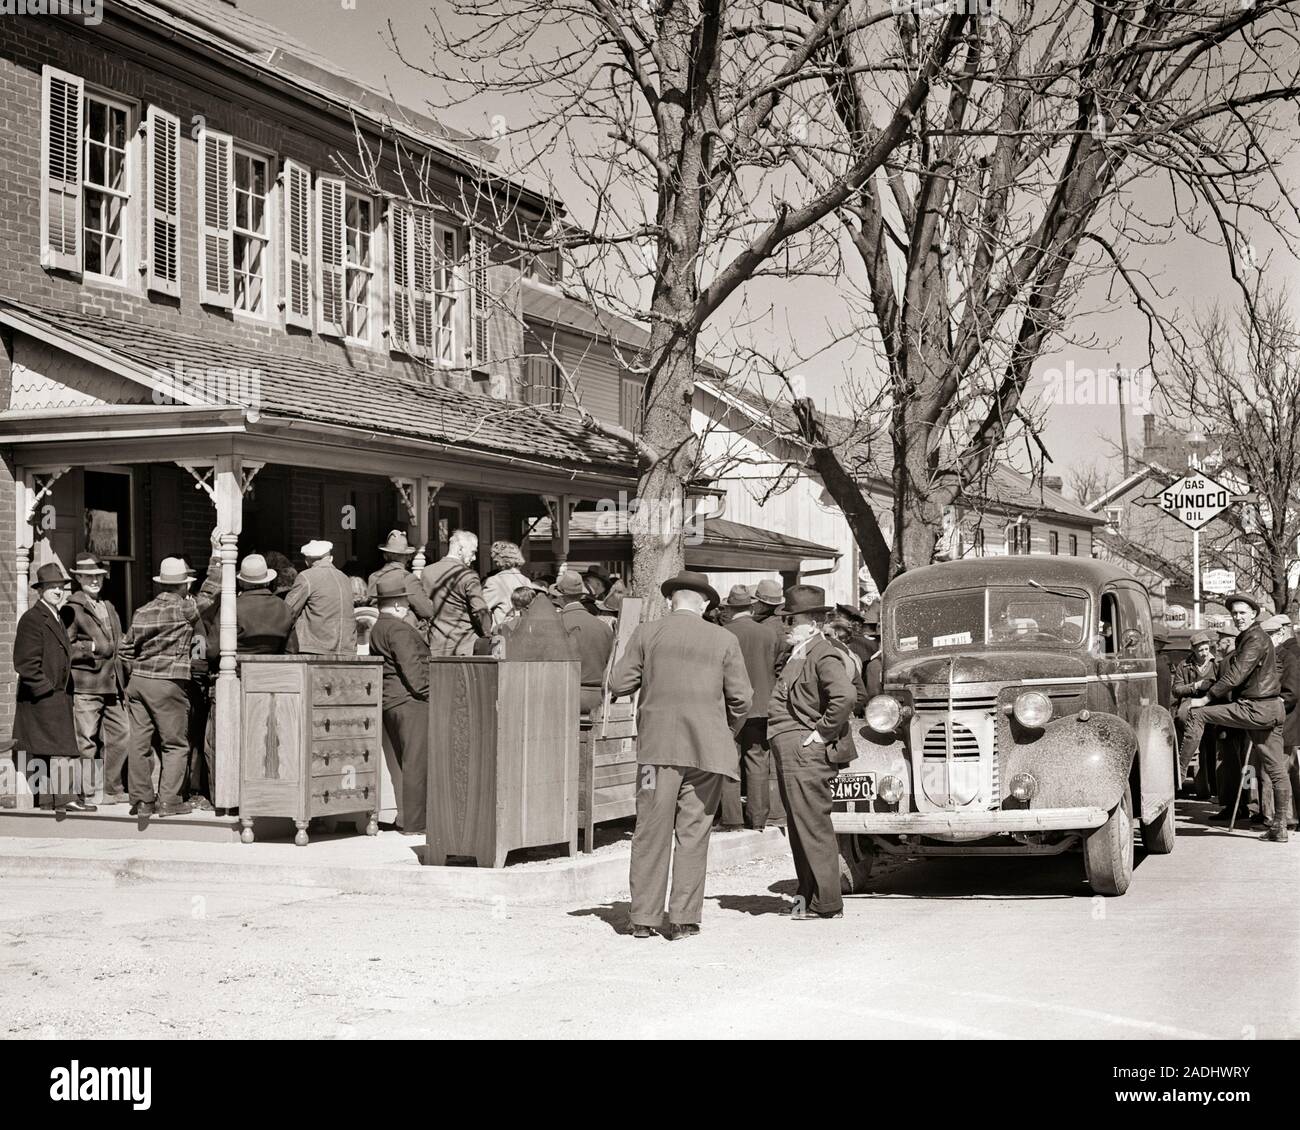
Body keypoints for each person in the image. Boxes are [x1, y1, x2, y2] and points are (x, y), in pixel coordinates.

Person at [609, 571, 752, 940]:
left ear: (672, 600)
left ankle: (643, 918)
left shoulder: (646, 633)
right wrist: (724, 731)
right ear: (704, 603)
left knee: (650, 831)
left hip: (657, 751)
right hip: (707, 752)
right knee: (694, 832)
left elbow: (619, 683)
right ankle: (685, 919)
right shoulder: (724, 638)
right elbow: (742, 699)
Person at [768, 585, 857, 921]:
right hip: (793, 749)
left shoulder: (822, 652)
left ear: (813, 621)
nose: (786, 625)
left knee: (812, 827)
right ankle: (808, 899)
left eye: (791, 619)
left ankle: (827, 903)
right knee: (800, 827)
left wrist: (821, 733)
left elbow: (845, 696)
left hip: (805, 751)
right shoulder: (803, 651)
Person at [1178, 593, 1291, 842]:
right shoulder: (1254, 638)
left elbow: (1236, 675)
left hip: (1254, 708)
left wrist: (1205, 698)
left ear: (1254, 614)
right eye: (1234, 614)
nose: (1237, 617)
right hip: (1270, 710)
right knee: (1276, 769)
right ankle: (1279, 827)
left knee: (1196, 712)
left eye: (1242, 613)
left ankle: (1178, 771)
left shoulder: (1254, 638)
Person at [120, 557, 212, 818]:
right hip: (168, 682)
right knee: (174, 743)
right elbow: (211, 591)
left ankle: (141, 800)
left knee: (139, 742)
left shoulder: (142, 611)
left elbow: (125, 650)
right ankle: (169, 801)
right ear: (184, 585)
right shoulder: (185, 609)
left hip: (138, 682)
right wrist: (216, 555)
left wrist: (136, 672)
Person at [14, 564, 89, 814]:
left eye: (61, 586)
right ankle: (65, 798)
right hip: (45, 697)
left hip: (55, 695)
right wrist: (47, 690)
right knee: (62, 749)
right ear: (40, 590)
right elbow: (24, 663)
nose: (58, 591)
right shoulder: (33, 619)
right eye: (52, 587)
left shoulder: (53, 615)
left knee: (49, 750)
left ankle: (48, 801)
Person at [368, 572, 431, 835]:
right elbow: (413, 672)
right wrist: (430, 694)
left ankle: (409, 818)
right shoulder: (398, 628)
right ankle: (416, 823)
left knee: (407, 763)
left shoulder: (378, 627)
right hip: (410, 702)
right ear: (396, 604)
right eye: (405, 602)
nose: (408, 607)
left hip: (392, 701)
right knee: (416, 763)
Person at [64, 553, 129, 805]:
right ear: (78, 578)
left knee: (123, 734)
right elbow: (66, 648)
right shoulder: (71, 608)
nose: (94, 581)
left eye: (98, 577)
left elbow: (119, 641)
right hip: (86, 685)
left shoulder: (108, 605)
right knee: (86, 741)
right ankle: (86, 792)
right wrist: (90, 647)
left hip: (113, 685)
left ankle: (112, 789)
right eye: (89, 576)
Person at [720, 584, 778, 832]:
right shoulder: (769, 634)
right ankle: (758, 818)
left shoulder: (723, 634)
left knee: (728, 761)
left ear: (730, 608)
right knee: (758, 762)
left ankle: (732, 818)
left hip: (731, 707)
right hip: (763, 707)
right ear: (751, 606)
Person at [421, 530, 492, 656]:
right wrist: (487, 633)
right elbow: (480, 611)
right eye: (473, 552)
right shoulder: (468, 575)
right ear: (460, 549)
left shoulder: (426, 572)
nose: (474, 557)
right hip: (464, 645)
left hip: (435, 645)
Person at [551, 572, 614, 714]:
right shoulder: (604, 626)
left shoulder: (557, 624)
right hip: (599, 698)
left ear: (561, 597)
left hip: (566, 695)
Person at [1260, 614, 1300, 830]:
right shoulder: (1273, 655)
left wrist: (1266, 710)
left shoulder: (1289, 657)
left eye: (1271, 635)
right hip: (1280, 721)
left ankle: (1279, 819)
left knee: (1275, 771)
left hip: (1285, 723)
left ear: (1282, 633)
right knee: (1284, 771)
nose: (1267, 640)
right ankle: (1285, 818)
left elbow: (1291, 693)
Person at [283, 539, 357, 657]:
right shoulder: (345, 578)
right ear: (330, 558)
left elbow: (287, 611)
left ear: (307, 561)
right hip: (346, 648)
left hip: (316, 648)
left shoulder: (306, 577)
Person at [1172, 630, 1219, 798]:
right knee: (1193, 744)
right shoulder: (1183, 665)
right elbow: (1176, 690)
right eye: (1200, 650)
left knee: (1211, 749)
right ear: (1193, 650)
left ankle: (1213, 789)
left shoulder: (1217, 663)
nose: (1204, 653)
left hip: (1212, 704)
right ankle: (1182, 778)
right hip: (1190, 705)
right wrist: (1195, 686)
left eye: (1207, 649)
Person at [367, 531, 435, 623]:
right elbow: (427, 611)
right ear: (407, 557)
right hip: (400, 630)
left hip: (377, 627)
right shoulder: (408, 578)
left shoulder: (373, 577)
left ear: (385, 556)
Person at [481, 541, 532, 631]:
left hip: (503, 635)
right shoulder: (526, 580)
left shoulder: (494, 581)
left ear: (498, 561)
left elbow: (480, 609)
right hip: (523, 632)